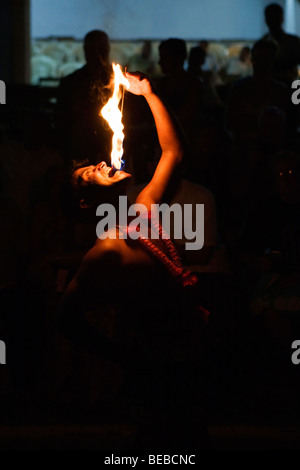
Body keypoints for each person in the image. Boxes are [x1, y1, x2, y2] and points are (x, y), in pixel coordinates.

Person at [56, 71, 209, 449]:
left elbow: (175, 152)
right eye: (87, 175)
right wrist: (123, 356)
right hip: (157, 362)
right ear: (85, 202)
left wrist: (150, 95)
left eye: (92, 163)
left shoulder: (143, 208)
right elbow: (64, 317)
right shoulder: (106, 251)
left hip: (193, 346)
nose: (99, 165)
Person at [56, 30, 113, 164]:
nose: (98, 56)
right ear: (85, 51)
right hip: (80, 138)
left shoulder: (119, 81)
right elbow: (59, 115)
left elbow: (134, 114)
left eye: (102, 51)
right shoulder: (71, 82)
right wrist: (74, 110)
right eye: (92, 51)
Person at [262, 3, 300, 85]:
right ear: (282, 18)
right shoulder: (293, 41)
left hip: (272, 85)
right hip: (289, 83)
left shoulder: (263, 42)